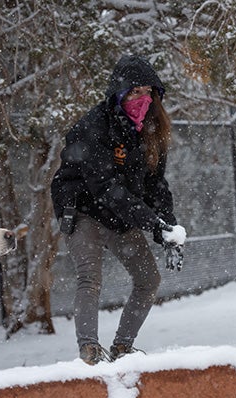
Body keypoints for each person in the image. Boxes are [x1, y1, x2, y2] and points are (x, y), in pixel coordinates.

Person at [50, 55, 186, 364]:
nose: (143, 99)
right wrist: (151, 223)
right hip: (83, 209)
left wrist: (169, 229)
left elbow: (155, 185)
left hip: (120, 213)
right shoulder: (93, 126)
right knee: (90, 278)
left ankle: (123, 347)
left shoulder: (151, 131)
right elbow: (105, 188)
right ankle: (89, 351)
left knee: (148, 279)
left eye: (149, 92)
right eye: (135, 92)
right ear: (119, 93)